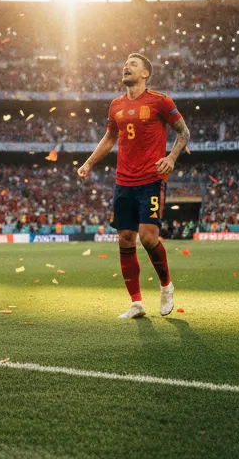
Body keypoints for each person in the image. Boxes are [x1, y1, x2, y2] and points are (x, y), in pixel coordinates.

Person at [77, 53, 190, 320]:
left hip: (151, 178)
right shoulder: (116, 105)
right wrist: (89, 163)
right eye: (125, 64)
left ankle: (166, 286)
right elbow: (109, 137)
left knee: (148, 238)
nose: (126, 66)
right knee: (125, 239)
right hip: (123, 182)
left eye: (133, 64)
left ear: (145, 74)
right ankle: (136, 303)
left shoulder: (160, 101)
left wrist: (171, 158)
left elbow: (183, 132)